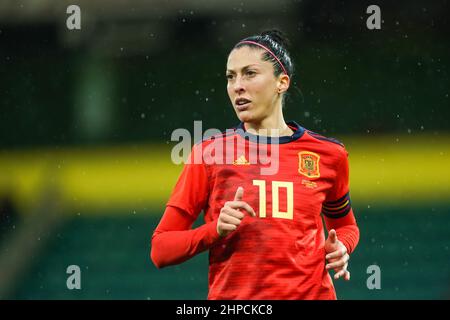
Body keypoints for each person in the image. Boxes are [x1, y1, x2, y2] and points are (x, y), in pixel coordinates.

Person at [151, 29, 360, 300]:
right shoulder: (209, 154)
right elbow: (160, 249)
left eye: (250, 73)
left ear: (281, 82)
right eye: (231, 76)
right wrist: (214, 230)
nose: (237, 85)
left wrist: (341, 247)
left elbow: (346, 226)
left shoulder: (329, 155)